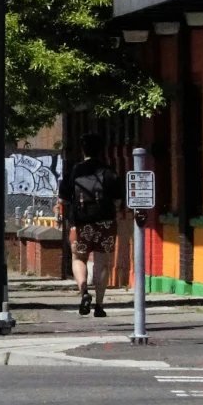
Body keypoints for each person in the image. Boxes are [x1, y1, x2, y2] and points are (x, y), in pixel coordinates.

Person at [63, 135, 127, 318]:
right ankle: (99, 306)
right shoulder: (109, 172)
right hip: (105, 223)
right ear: (101, 150)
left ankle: (84, 292)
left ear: (83, 150)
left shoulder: (74, 172)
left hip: (80, 224)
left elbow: (63, 199)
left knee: (78, 258)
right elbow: (117, 201)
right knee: (102, 264)